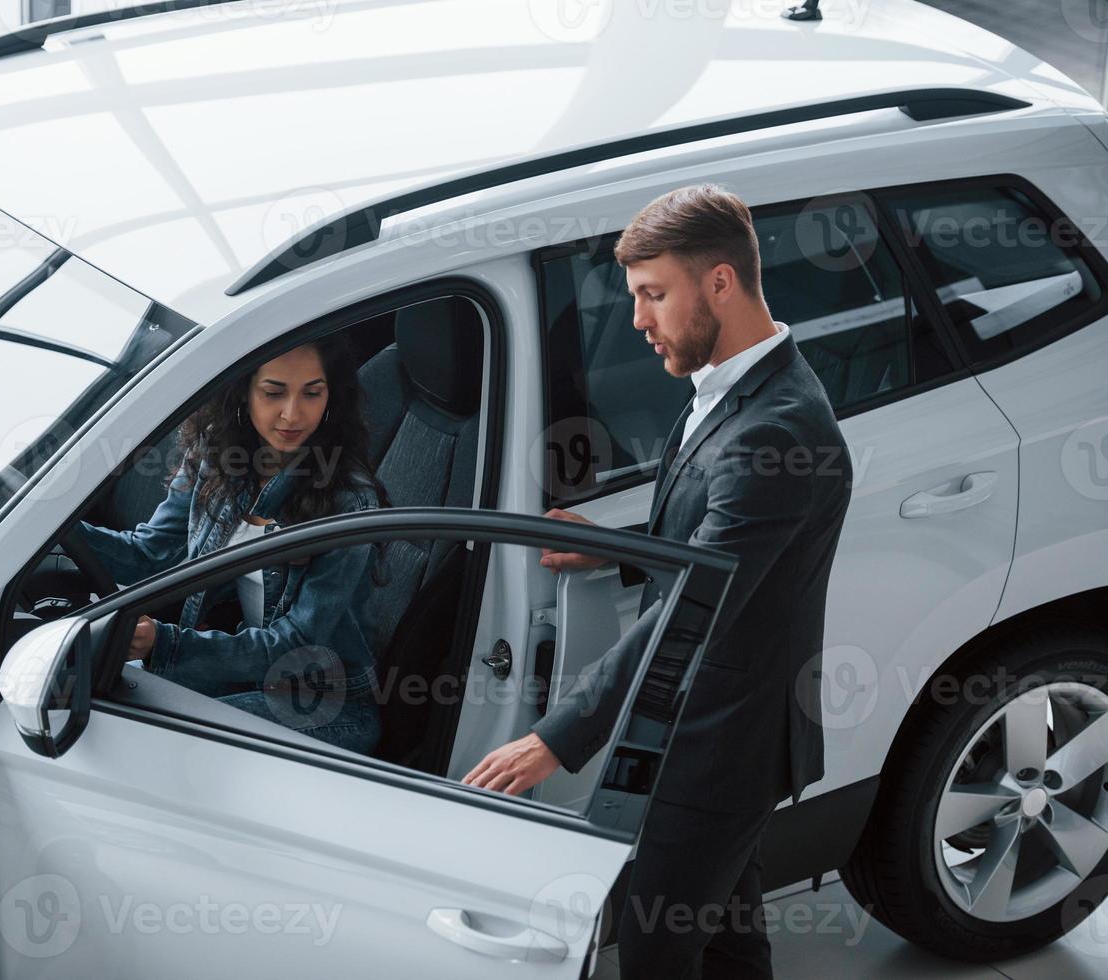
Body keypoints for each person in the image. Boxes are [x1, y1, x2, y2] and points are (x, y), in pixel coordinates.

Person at [464, 185, 854, 978]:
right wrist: (617, 548)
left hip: (722, 743)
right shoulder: (729, 385)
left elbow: (696, 605)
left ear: (718, 282)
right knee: (727, 933)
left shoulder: (772, 428)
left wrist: (556, 736)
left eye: (652, 295)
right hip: (714, 727)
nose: (637, 319)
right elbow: (723, 541)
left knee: (654, 946)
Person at [78, 334, 390, 754]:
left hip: (321, 699)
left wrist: (167, 643)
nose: (293, 414)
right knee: (92, 702)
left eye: (312, 393)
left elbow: (298, 644)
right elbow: (151, 556)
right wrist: (54, 536)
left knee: (149, 742)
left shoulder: (348, 499)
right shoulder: (217, 456)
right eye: (273, 392)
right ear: (243, 391)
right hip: (240, 671)